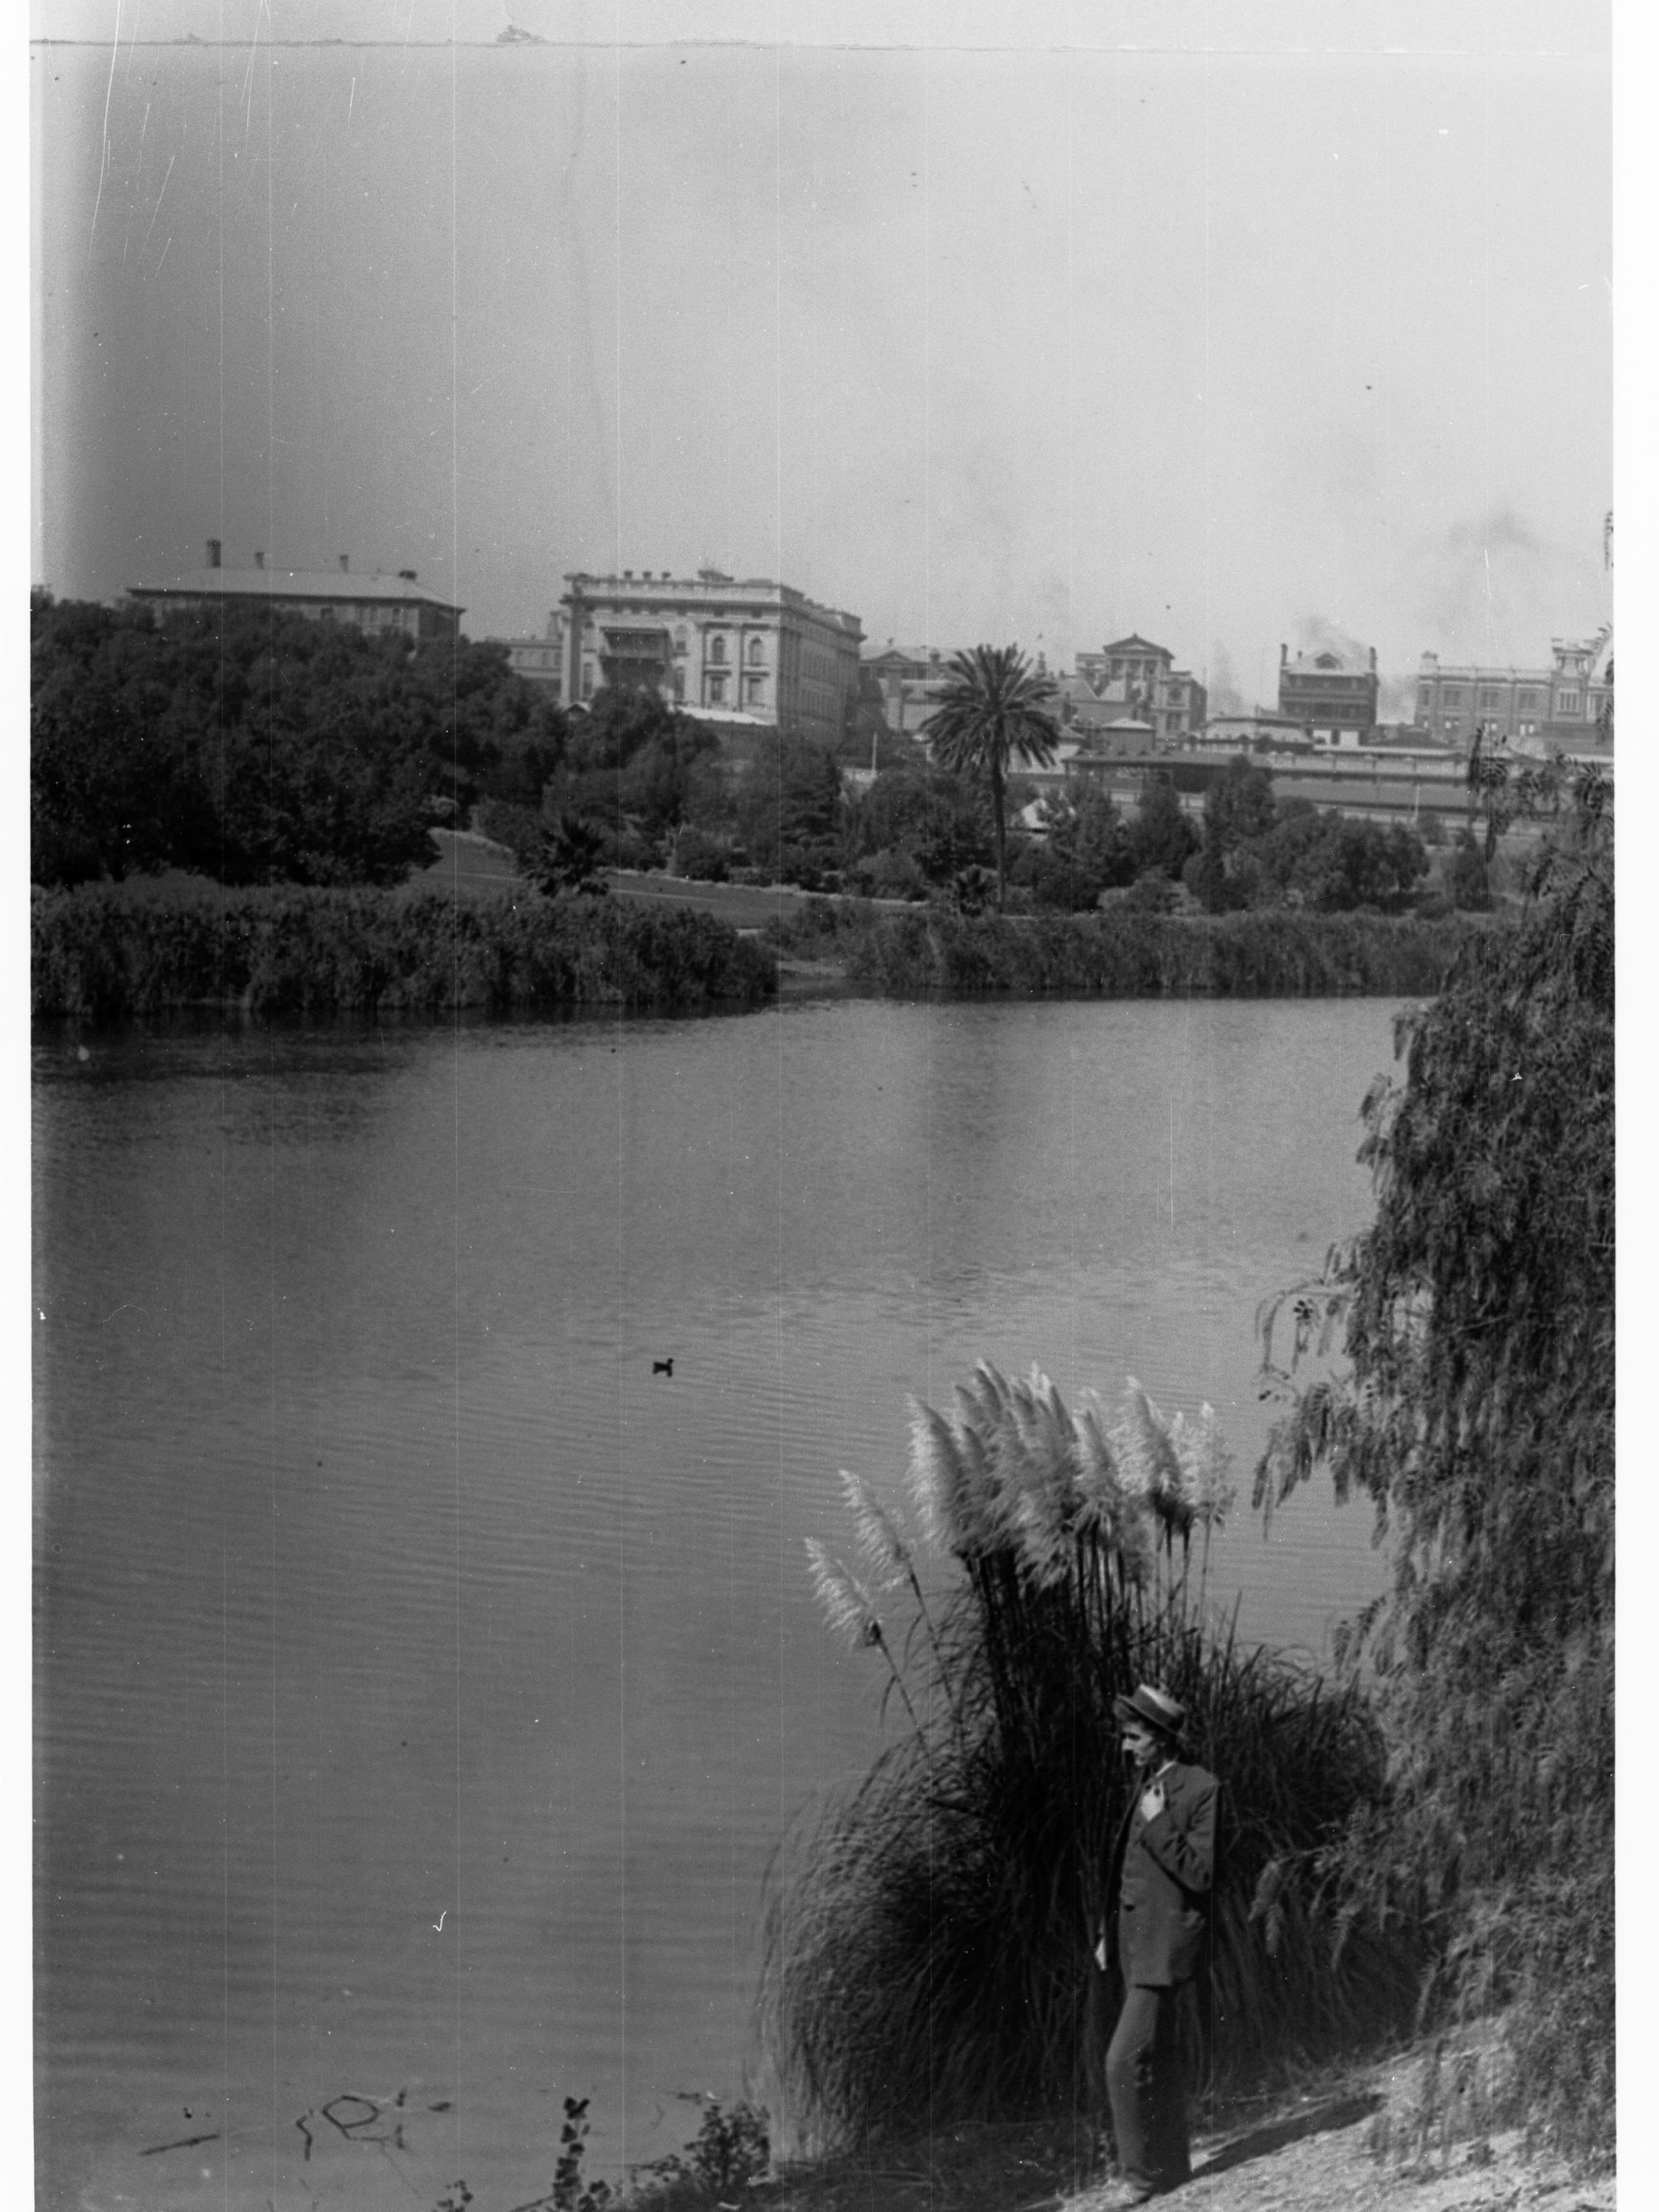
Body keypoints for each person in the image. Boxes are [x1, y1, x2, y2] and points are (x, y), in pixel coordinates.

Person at [1096, 1683, 1219, 2204]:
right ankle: (1171, 2168)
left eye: (1134, 1737)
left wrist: (1158, 1821)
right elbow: (1131, 1870)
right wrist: (1106, 1930)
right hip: (1133, 1945)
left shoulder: (1200, 1788)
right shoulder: (1151, 1783)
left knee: (1121, 2061)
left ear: (1163, 1739)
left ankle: (1139, 2178)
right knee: (1158, 2057)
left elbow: (1202, 1873)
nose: (1126, 1747)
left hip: (1165, 1948)